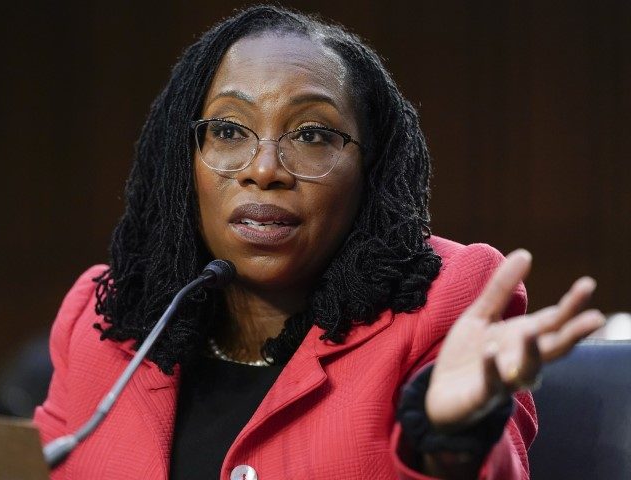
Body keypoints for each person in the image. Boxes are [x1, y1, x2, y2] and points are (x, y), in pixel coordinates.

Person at [34, 5, 604, 479]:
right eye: (229, 130)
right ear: (182, 161)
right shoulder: (104, 317)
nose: (264, 169)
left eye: (311, 134)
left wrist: (450, 437)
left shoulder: (444, 301)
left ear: (371, 171)